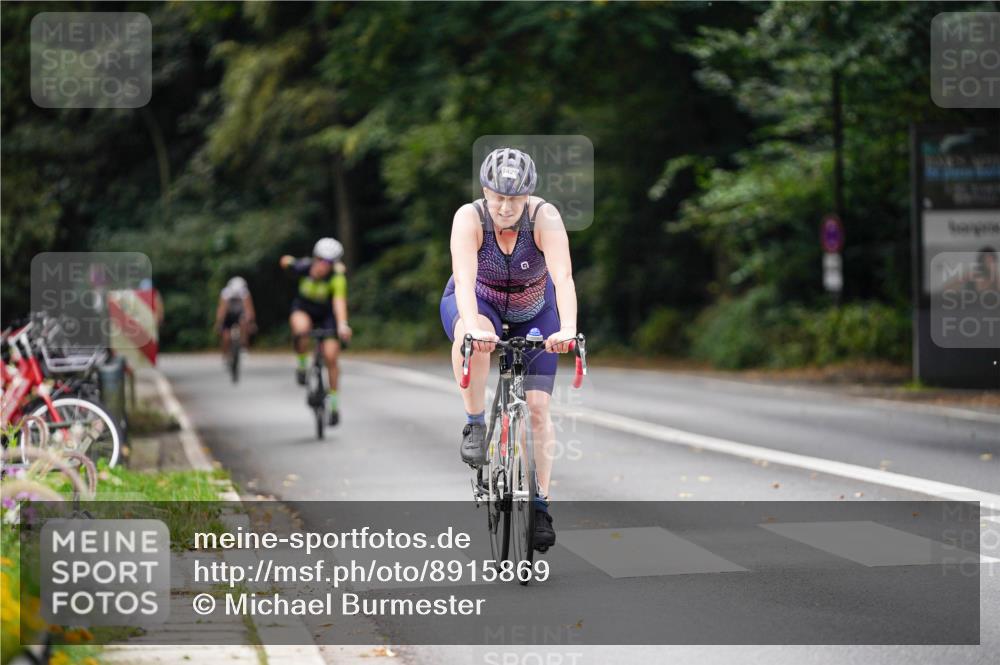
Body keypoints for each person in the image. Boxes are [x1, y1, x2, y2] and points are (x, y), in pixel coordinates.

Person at [439, 147, 578, 552]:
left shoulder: (544, 218)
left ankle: (540, 505)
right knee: (473, 335)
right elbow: (464, 282)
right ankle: (476, 423)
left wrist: (568, 327)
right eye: (497, 196)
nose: (504, 207)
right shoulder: (469, 218)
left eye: (514, 199)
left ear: (528, 196)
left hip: (535, 307)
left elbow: (564, 276)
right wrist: (471, 331)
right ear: (485, 190)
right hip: (478, 301)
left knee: (537, 409)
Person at [280, 238, 352, 425]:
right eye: (319, 259)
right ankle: (302, 365)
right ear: (314, 257)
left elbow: (339, 302)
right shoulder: (304, 267)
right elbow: (286, 261)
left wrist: (343, 324)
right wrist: (289, 262)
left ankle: (334, 405)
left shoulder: (337, 278)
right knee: (301, 329)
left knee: (331, 356)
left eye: (328, 262)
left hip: (327, 315)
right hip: (304, 310)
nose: (322, 265)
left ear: (335, 263)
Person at [214, 276, 256, 361]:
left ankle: (243, 345)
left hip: (239, 314)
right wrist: (219, 323)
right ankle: (225, 353)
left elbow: (249, 309)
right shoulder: (225, 293)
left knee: (244, 322)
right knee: (226, 336)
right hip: (228, 315)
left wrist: (251, 322)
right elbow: (222, 310)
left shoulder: (244, 293)